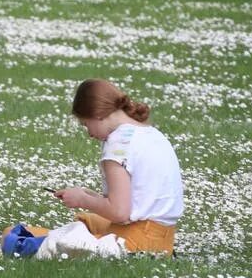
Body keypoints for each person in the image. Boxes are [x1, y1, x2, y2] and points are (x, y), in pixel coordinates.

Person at [52, 78, 183, 254]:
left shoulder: (118, 145)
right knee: (86, 222)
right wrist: (89, 195)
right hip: (163, 239)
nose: (89, 134)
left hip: (138, 241)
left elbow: (120, 212)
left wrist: (82, 200)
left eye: (86, 124)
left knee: (55, 241)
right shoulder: (150, 133)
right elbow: (137, 200)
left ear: (97, 114)